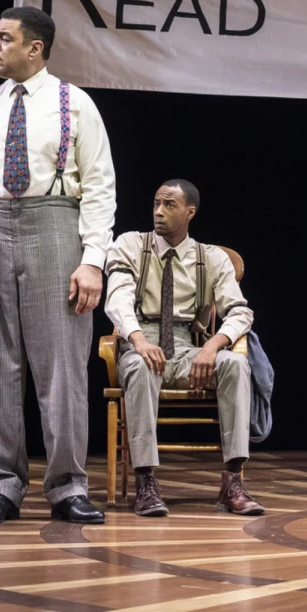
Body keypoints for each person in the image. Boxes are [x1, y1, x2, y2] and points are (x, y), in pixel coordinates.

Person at [0, 7, 116, 525]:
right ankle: (1, 484)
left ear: (35, 48)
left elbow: (100, 188)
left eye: (4, 39)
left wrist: (92, 262)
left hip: (55, 223)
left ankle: (67, 486)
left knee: (61, 365)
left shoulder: (75, 104)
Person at [104, 179, 263, 516]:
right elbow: (116, 296)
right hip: (141, 337)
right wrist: (137, 339)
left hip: (188, 346)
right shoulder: (131, 245)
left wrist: (215, 345)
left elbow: (240, 310)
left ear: (190, 212)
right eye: (156, 204)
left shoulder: (211, 258)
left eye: (169, 205)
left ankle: (233, 481)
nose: (159, 212)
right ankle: (145, 481)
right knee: (140, 364)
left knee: (235, 364)